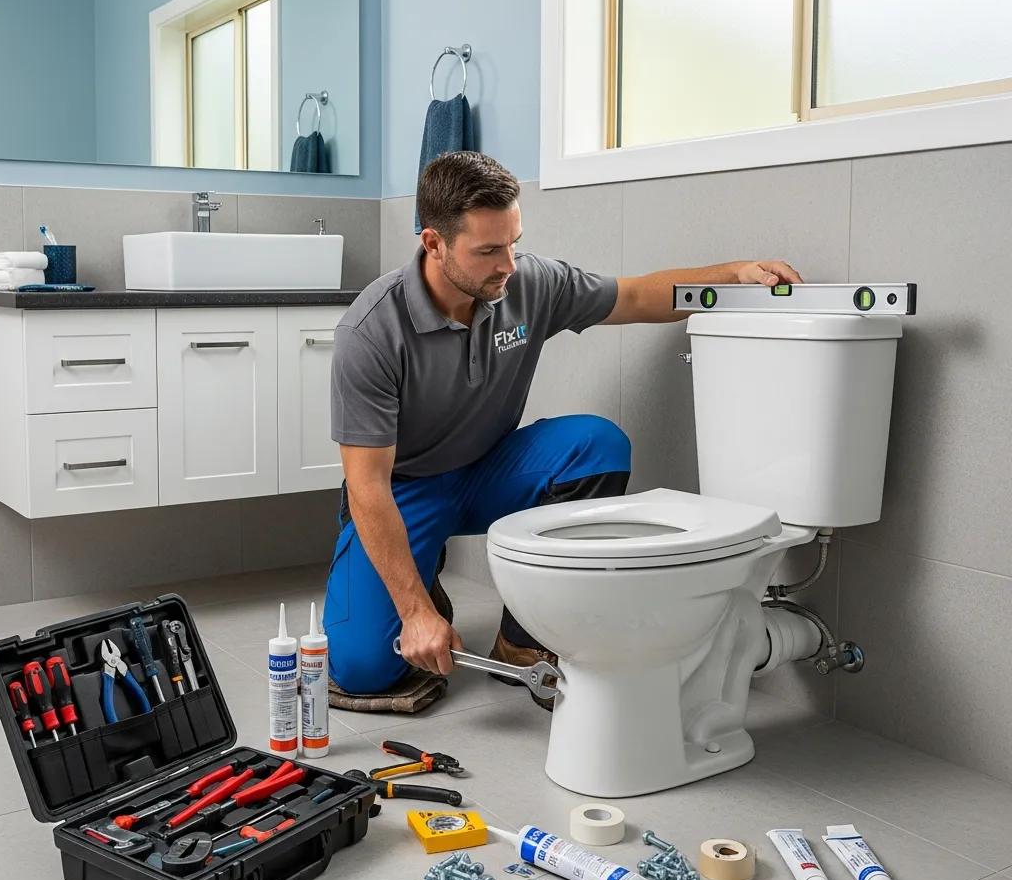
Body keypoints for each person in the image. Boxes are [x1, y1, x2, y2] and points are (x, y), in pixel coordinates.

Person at [324, 151, 801, 709]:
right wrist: (414, 612)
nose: (507, 264)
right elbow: (368, 487)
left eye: (513, 243)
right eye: (488, 251)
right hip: (403, 491)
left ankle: (522, 638)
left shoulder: (526, 283)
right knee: (363, 667)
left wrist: (736, 274)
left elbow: (636, 296)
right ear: (433, 243)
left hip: (488, 470)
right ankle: (419, 580)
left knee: (598, 446)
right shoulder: (371, 332)